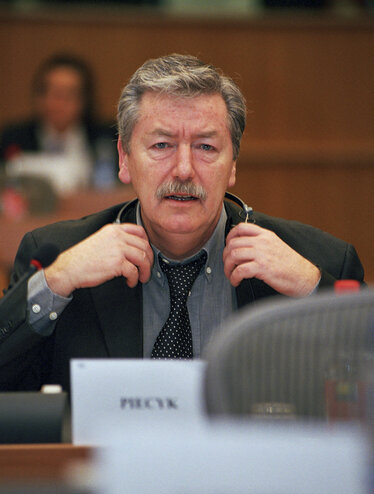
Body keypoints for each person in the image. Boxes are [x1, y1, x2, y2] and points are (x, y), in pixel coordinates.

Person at [0, 54, 364, 391]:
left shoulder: (320, 260)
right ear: (124, 160)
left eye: (206, 147)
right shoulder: (59, 257)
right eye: (161, 145)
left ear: (233, 164)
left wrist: (316, 294)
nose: (184, 170)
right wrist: (57, 281)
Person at [0, 53, 118, 194]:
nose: (60, 103)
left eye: (69, 95)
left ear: (84, 100)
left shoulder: (107, 137)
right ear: (39, 97)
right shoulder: (14, 138)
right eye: (54, 93)